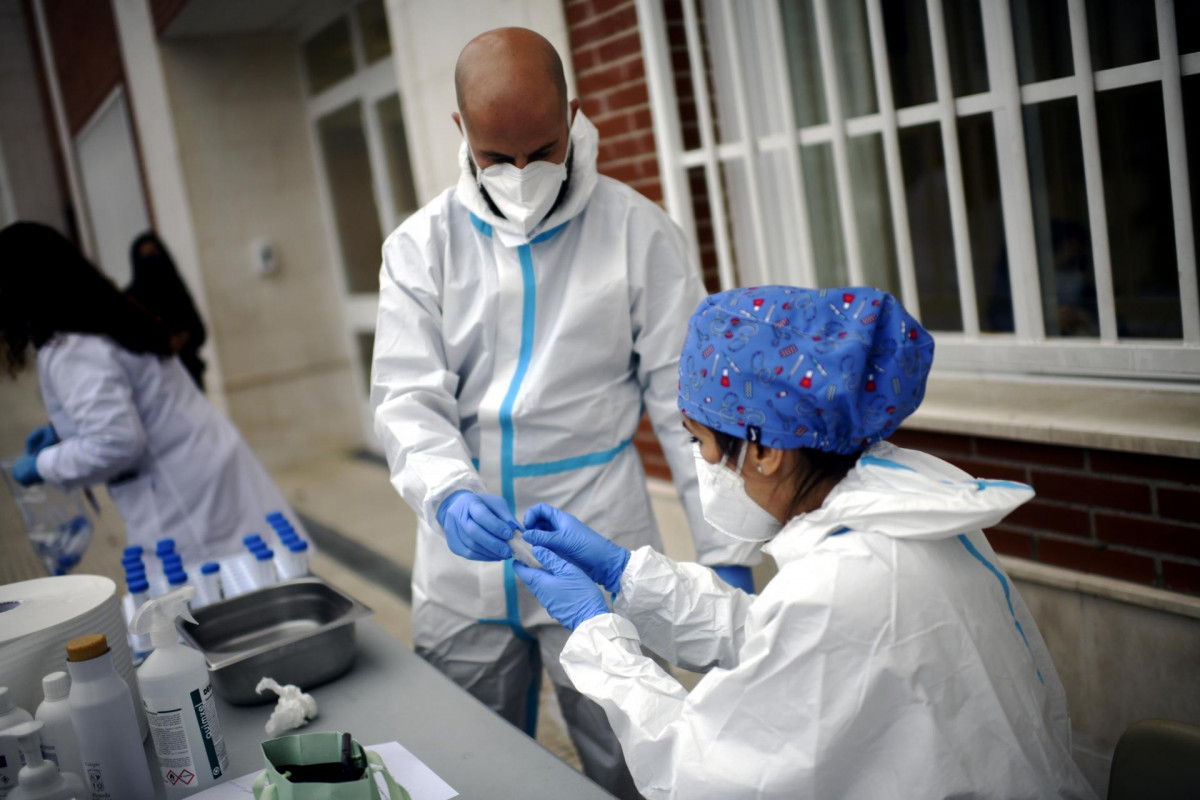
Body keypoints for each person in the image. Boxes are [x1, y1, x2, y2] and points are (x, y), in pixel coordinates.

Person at [512, 285, 1098, 799]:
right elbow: (780, 640)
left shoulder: (844, 577)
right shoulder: (901, 500)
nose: (702, 462)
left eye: (699, 442)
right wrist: (626, 575)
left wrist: (597, 636)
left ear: (765, 451)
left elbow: (700, 773)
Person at [371, 26, 755, 797]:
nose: (522, 176)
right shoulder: (419, 248)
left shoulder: (637, 232)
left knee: (629, 758)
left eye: (542, 150)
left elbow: (689, 406)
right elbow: (407, 398)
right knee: (464, 764)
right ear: (460, 130)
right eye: (496, 156)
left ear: (573, 115)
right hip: (462, 561)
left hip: (595, 534)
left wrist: (728, 549)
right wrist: (446, 493)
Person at [1, 222, 304, 562]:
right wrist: (63, 432)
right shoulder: (107, 315)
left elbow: (116, 441)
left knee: (227, 582)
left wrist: (42, 465)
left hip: (181, 496)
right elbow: (132, 399)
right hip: (203, 466)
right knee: (260, 568)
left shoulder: (73, 348)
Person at [126, 231, 208, 390]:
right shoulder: (133, 299)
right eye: (146, 257)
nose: (151, 263)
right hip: (155, 382)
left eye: (154, 255)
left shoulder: (176, 291)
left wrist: (182, 339)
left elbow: (199, 332)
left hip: (188, 373)